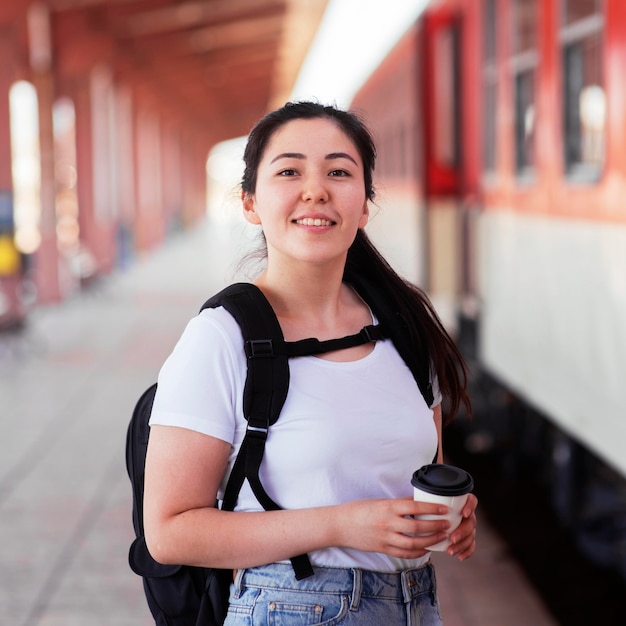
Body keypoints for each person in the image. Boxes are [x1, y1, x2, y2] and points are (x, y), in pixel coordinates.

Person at [144, 101, 477, 625]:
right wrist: (342, 526)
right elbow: (169, 532)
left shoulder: (404, 327)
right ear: (250, 202)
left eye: (339, 172)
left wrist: (447, 519)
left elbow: (420, 469)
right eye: (289, 171)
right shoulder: (221, 337)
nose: (315, 189)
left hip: (414, 607)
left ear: (365, 205)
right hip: (289, 607)